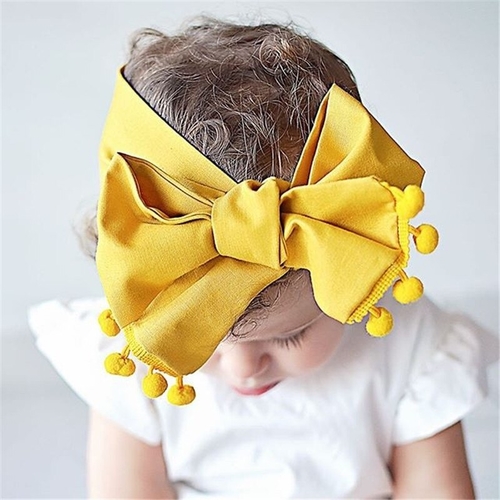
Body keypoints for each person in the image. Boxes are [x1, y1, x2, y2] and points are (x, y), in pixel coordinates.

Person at [29, 18, 496, 499]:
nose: (243, 369)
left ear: (355, 259)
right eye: (199, 335)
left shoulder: (412, 349)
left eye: (290, 336)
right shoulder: (138, 354)